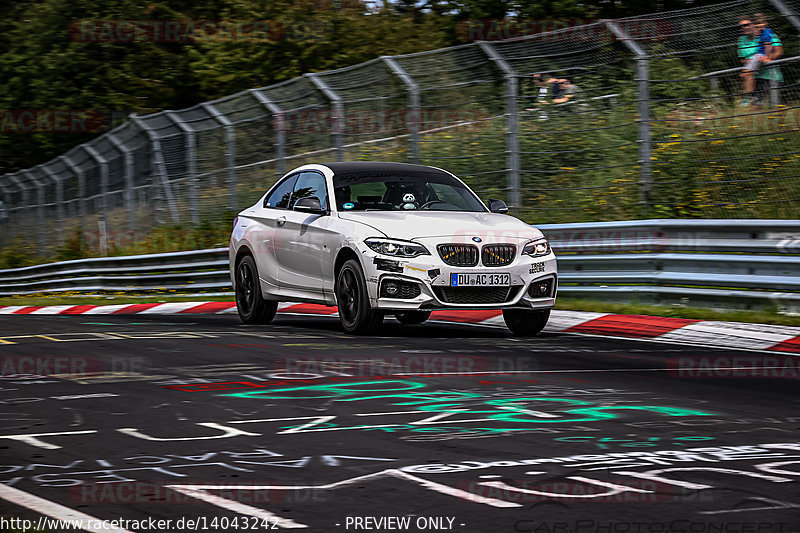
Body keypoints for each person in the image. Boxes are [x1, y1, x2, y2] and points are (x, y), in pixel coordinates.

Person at [741, 13, 782, 105]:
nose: (757, 26)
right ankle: (747, 98)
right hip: (757, 78)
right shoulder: (747, 39)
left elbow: (778, 52)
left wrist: (767, 58)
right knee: (757, 105)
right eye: (755, 24)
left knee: (774, 104)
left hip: (771, 76)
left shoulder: (770, 35)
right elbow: (743, 58)